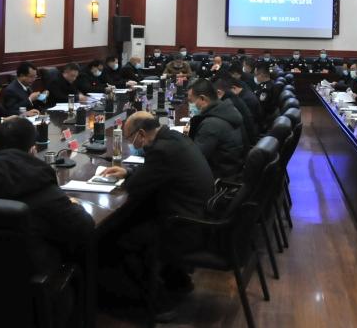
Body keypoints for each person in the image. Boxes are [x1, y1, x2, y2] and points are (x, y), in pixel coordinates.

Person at [100, 113, 215, 317]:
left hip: (183, 226)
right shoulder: (174, 138)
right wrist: (128, 172)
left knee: (119, 237)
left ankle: (159, 302)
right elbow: (156, 173)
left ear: (141, 134)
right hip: (198, 215)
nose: (131, 143)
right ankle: (179, 282)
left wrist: (131, 178)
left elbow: (136, 187)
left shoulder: (162, 150)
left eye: (130, 138)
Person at [0, 117, 94, 273]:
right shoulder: (43, 190)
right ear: (32, 150)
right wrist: (74, 204)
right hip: (33, 281)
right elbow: (84, 228)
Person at [184, 79, 245, 178]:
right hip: (231, 170)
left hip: (217, 177)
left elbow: (194, 160)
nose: (191, 105)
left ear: (202, 99)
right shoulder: (227, 110)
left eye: (191, 101)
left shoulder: (211, 124)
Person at [215, 76, 257, 148]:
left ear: (219, 92)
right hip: (246, 138)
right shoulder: (233, 98)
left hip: (243, 143)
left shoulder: (228, 103)